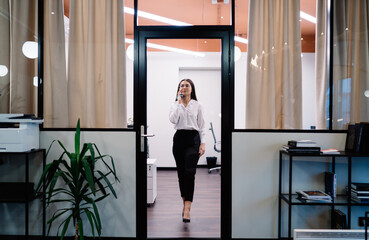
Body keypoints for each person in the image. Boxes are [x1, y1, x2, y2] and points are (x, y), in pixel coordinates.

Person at [169, 78, 206, 223]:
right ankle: (185, 203)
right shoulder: (174, 104)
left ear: (192, 88)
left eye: (187, 85)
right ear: (179, 89)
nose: (184, 87)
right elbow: (173, 120)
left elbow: (202, 126)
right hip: (179, 139)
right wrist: (179, 102)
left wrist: (203, 143)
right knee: (181, 174)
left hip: (193, 139)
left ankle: (187, 209)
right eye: (181, 85)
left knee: (190, 172)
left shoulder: (198, 105)